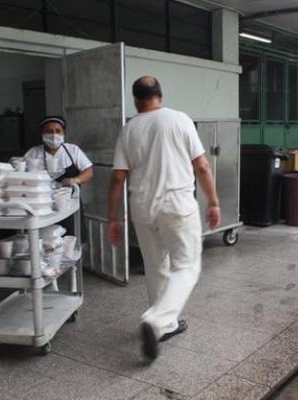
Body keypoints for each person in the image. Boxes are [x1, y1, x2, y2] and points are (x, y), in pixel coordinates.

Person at [107, 76, 220, 361]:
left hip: (142, 208)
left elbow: (117, 178)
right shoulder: (179, 120)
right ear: (160, 95)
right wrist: (213, 201)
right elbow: (202, 166)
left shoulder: (128, 129)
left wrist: (113, 219)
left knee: (156, 266)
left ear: (136, 99)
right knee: (187, 266)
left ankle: (165, 325)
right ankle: (157, 320)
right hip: (177, 204)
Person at [24, 115, 94, 187]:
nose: (54, 135)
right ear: (42, 133)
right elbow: (22, 175)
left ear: (63, 132)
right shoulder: (33, 153)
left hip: (70, 197)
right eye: (49, 131)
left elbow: (88, 172)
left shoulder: (73, 150)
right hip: (41, 197)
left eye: (58, 131)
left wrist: (75, 180)